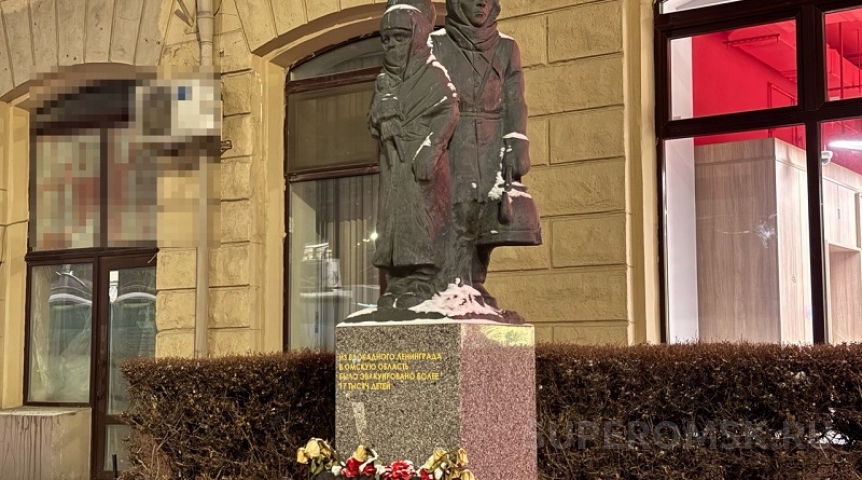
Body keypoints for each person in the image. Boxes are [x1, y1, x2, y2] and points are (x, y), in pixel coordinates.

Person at [431, 0, 540, 308]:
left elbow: (515, 99)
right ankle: (453, 279)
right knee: (457, 206)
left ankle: (475, 280)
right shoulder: (436, 44)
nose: (481, 3)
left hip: (493, 138)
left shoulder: (506, 47)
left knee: (487, 213)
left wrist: (516, 142)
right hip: (454, 135)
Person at [369, 2, 460, 310]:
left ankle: (423, 280)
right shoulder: (385, 81)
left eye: (400, 37)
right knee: (394, 224)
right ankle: (397, 282)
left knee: (422, 223)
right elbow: (371, 123)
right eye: (387, 39)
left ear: (417, 36)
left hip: (422, 165)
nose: (393, 45)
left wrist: (432, 148)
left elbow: (449, 110)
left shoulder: (433, 74)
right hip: (394, 167)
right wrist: (381, 115)